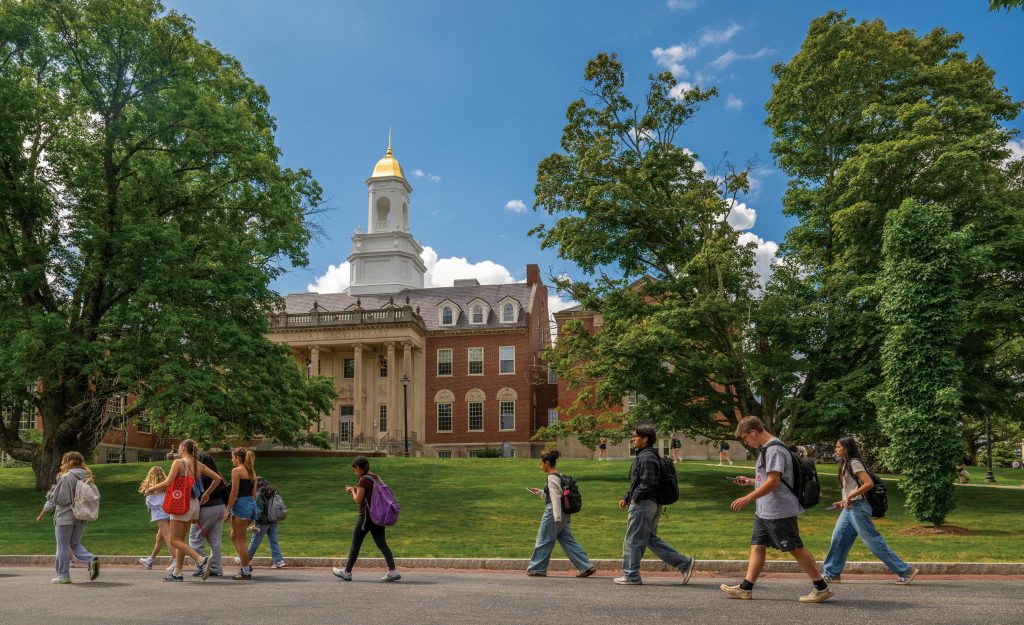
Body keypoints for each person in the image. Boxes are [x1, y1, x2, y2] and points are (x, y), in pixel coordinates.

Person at [721, 416, 831, 603]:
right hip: (765, 510)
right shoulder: (768, 450)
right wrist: (750, 481)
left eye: (745, 438)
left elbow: (773, 481)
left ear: (753, 432)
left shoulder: (774, 450)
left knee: (795, 548)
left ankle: (821, 588)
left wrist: (747, 498)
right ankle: (745, 588)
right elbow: (768, 478)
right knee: (757, 546)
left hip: (778, 510)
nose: (746, 441)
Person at [822, 437, 919, 585]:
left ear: (846, 448)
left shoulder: (854, 462)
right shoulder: (845, 463)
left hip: (859, 507)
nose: (835, 449)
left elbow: (868, 483)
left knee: (873, 541)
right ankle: (832, 573)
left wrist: (851, 497)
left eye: (838, 447)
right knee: (838, 538)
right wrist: (844, 501)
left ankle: (905, 571)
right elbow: (853, 488)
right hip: (850, 507)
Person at [614, 424, 695, 585]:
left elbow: (648, 482)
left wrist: (635, 498)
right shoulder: (649, 456)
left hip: (644, 505)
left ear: (645, 439)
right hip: (651, 504)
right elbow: (639, 482)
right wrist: (628, 497)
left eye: (636, 436)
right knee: (650, 540)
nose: (633, 438)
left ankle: (631, 576)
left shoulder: (647, 457)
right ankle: (684, 563)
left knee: (633, 540)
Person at [146, 439, 222, 581]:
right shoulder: (198, 464)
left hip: (180, 504)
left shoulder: (179, 463)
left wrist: (151, 489)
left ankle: (201, 560)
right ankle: (177, 572)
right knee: (181, 539)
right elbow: (217, 478)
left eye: (180, 447)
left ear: (183, 448)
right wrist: (206, 494)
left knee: (174, 540)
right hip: (194, 505)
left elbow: (167, 482)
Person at [525, 450, 596, 578]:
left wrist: (556, 517)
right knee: (568, 541)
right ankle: (586, 566)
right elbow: (558, 496)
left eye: (541, 463)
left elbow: (556, 498)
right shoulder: (560, 475)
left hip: (553, 514)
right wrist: (541, 493)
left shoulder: (551, 477)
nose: (540, 466)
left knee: (544, 539)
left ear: (547, 463)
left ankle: (537, 568)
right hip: (565, 514)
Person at [331, 456, 401, 582]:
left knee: (355, 543)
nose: (354, 472)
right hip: (377, 516)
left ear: (359, 468)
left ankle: (347, 572)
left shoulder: (363, 480)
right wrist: (356, 489)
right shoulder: (374, 477)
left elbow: (358, 499)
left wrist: (352, 490)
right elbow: (368, 493)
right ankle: (393, 571)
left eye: (355, 469)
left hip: (366, 517)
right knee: (382, 544)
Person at [46, 451, 100, 584]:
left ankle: (63, 575)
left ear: (67, 461)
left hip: (65, 516)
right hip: (81, 515)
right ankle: (91, 559)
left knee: (62, 546)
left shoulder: (67, 477)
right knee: (74, 543)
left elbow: (62, 499)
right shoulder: (87, 477)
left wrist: (51, 494)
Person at [189, 451, 228, 577]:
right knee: (215, 541)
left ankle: (202, 566)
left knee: (195, 538)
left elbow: (196, 494)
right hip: (221, 507)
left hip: (206, 508)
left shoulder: (200, 474)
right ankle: (216, 568)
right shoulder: (218, 474)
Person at [224, 448, 259, 580]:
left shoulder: (236, 471)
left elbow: (234, 492)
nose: (231, 460)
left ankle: (245, 571)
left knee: (241, 540)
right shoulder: (252, 472)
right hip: (250, 505)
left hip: (241, 506)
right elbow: (254, 494)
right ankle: (246, 564)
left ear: (237, 458)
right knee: (233, 536)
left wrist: (227, 510)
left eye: (232, 457)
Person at [138, 466, 174, 569]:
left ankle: (176, 560)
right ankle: (150, 560)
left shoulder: (153, 488)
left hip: (160, 514)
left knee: (168, 537)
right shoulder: (165, 486)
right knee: (159, 538)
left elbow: (150, 503)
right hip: (169, 513)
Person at [247, 477, 286, 568]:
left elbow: (259, 510)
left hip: (262, 522)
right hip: (273, 519)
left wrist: (254, 521)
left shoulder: (259, 494)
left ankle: (244, 559)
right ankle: (279, 561)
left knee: (254, 542)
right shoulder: (272, 492)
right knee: (274, 541)